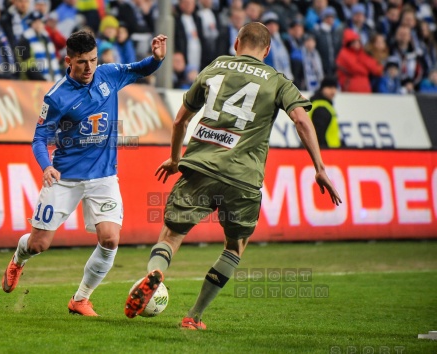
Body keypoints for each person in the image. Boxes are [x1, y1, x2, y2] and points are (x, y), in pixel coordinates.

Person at [124, 22, 341, 330]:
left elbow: (179, 121)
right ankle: (194, 316)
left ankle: (156, 273)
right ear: (267, 51)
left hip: (200, 166)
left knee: (171, 236)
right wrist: (319, 167)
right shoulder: (278, 81)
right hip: (243, 177)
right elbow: (302, 121)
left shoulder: (215, 67)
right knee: (234, 246)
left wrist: (175, 158)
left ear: (237, 42)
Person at [1, 30, 167, 317]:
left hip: (103, 176)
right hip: (64, 177)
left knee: (110, 239)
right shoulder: (56, 97)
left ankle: (80, 299)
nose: (89, 68)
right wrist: (47, 166)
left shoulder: (109, 74)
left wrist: (156, 58)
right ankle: (19, 258)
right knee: (39, 244)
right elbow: (40, 139)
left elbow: (142, 69)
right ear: (68, 61)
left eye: (92, 60)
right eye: (82, 62)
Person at [309, 76, 343, 148]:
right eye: (330, 87)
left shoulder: (320, 104)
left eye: (335, 88)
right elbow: (319, 135)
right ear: (322, 88)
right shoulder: (321, 108)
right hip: (327, 152)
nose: (333, 91)